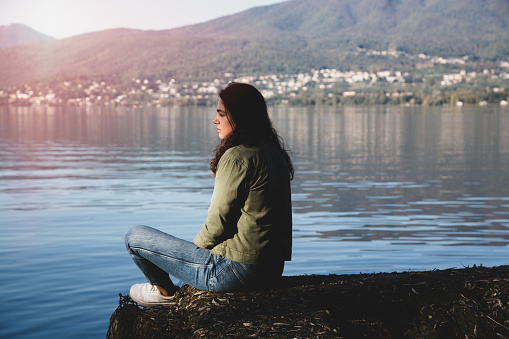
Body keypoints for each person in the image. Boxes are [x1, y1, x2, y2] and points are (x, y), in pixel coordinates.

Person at [125, 82, 294, 307]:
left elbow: (218, 224)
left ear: (241, 117)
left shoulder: (237, 156)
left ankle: (164, 293)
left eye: (221, 114)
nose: (215, 120)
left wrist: (194, 254)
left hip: (235, 273)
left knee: (134, 237)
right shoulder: (274, 154)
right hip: (272, 269)